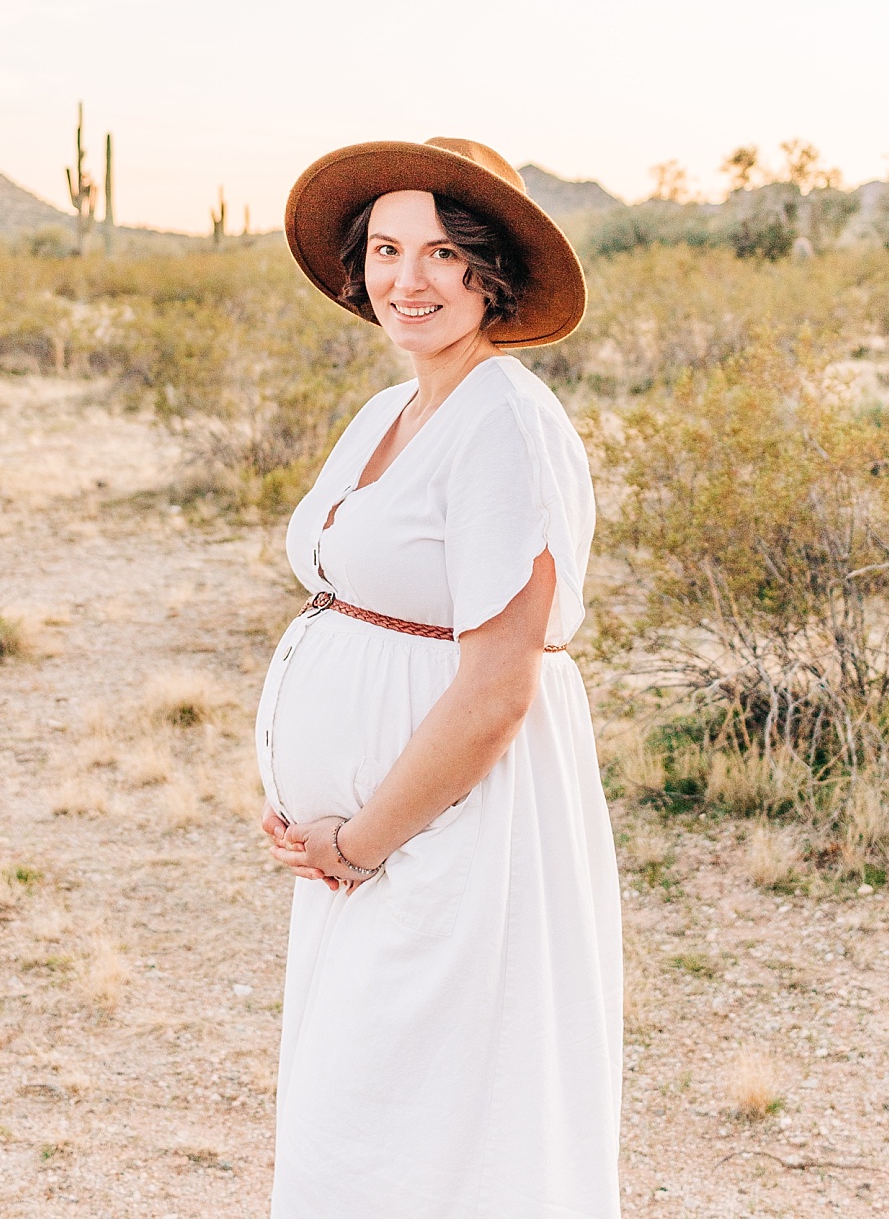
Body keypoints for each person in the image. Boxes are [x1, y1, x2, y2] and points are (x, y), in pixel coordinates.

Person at [255, 136, 622, 1219]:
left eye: (442, 254)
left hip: (447, 832)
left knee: (444, 1127)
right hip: (363, 845)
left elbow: (497, 686)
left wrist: (360, 839)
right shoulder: (388, 410)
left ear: (490, 272)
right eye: (385, 249)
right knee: (366, 1115)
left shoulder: (505, 419)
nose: (406, 280)